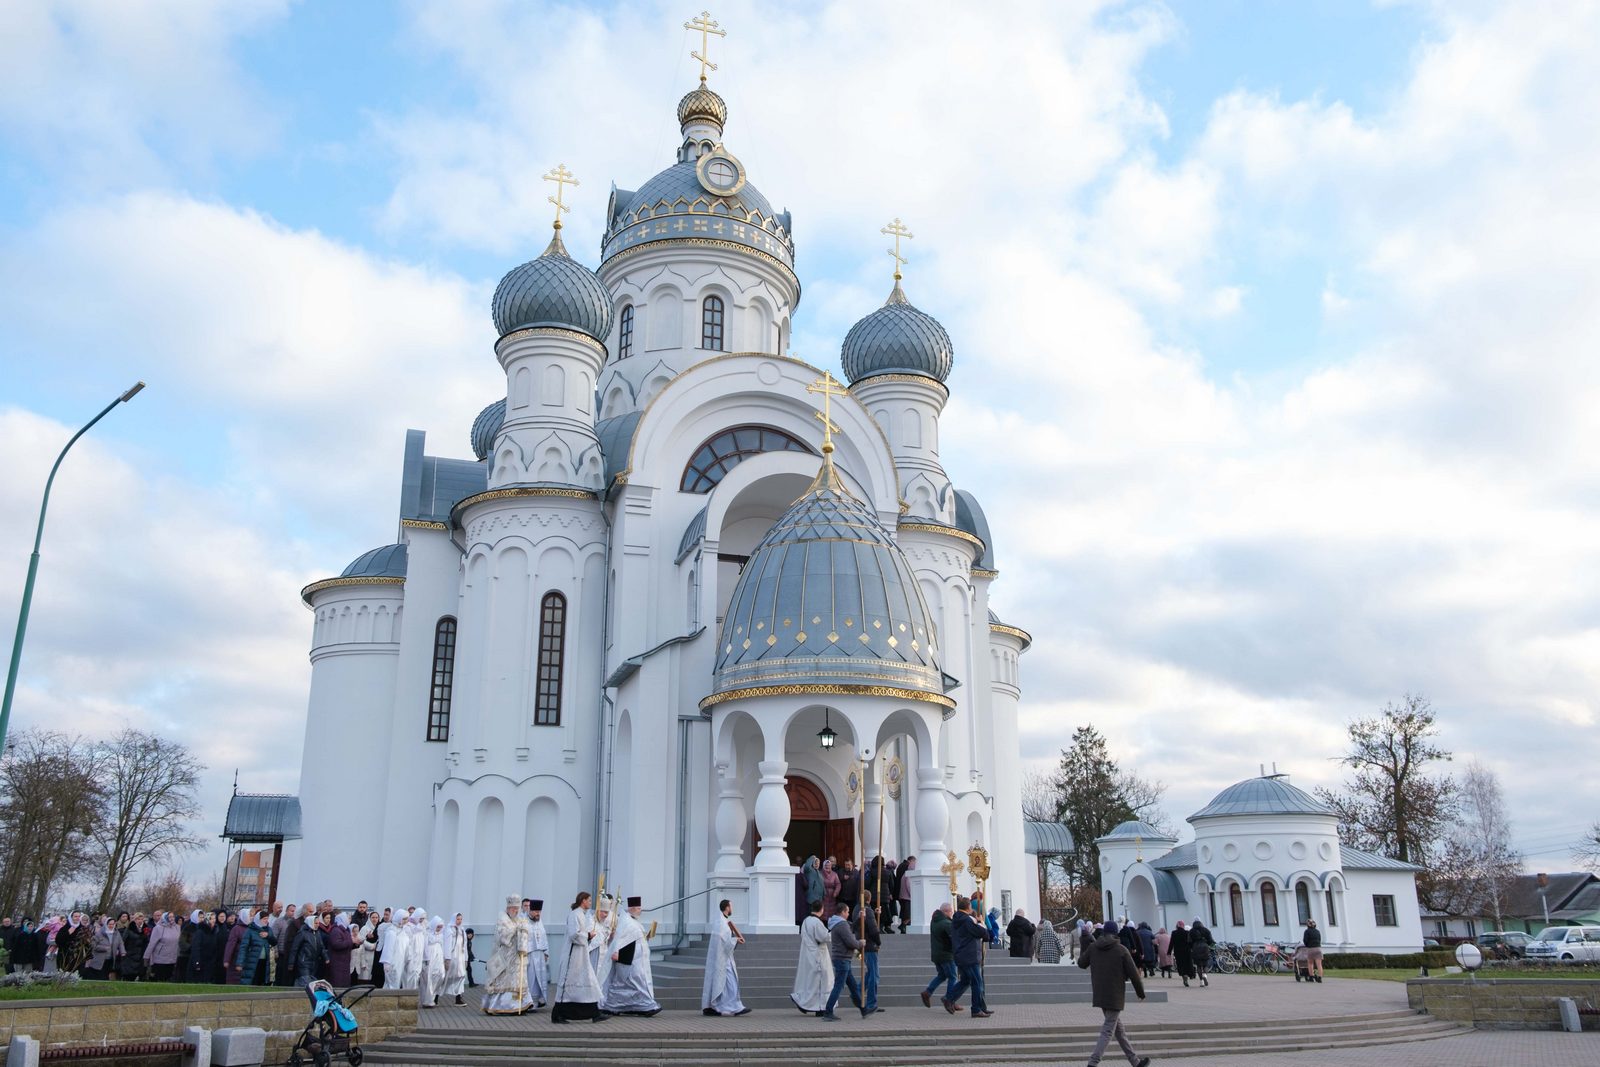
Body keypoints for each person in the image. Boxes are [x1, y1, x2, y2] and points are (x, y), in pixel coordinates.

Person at [1078, 920, 1151, 1067]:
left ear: (1104, 932)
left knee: (1119, 1030)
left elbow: (1081, 963)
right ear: (1116, 933)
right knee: (1107, 1031)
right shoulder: (1121, 950)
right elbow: (1134, 975)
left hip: (1100, 993)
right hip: (1115, 995)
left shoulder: (1094, 947)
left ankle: (1135, 1062)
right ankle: (1093, 1063)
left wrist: (1088, 949)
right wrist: (1141, 993)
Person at [600, 896, 659, 1017]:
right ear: (631, 908)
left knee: (634, 984)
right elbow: (621, 940)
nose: (640, 911)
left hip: (636, 960)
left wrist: (646, 937)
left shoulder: (634, 921)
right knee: (636, 983)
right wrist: (618, 954)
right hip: (629, 960)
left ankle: (635, 1006)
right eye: (638, 908)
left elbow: (635, 939)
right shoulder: (627, 922)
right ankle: (646, 1005)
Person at [552, 893, 605, 1023]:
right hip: (573, 956)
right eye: (589, 900)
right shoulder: (574, 914)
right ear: (583, 901)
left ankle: (594, 1013)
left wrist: (588, 936)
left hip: (581, 954)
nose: (590, 902)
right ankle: (558, 1014)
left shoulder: (582, 914)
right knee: (569, 985)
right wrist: (588, 935)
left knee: (587, 981)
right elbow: (573, 934)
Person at [483, 896, 534, 1015]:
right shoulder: (502, 919)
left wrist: (524, 929)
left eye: (517, 908)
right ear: (508, 908)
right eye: (514, 908)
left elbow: (526, 934)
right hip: (505, 957)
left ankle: (520, 1005)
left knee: (518, 980)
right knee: (504, 981)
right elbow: (503, 937)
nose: (516, 911)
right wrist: (516, 929)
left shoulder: (519, 919)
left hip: (517, 957)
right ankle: (501, 1006)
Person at [700, 898, 750, 1016]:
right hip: (722, 960)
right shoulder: (721, 923)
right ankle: (731, 1007)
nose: (732, 908)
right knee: (730, 983)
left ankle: (734, 1006)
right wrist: (736, 940)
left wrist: (735, 940)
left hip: (726, 958)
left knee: (729, 984)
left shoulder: (724, 921)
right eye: (731, 906)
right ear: (727, 907)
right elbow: (723, 942)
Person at [945, 896, 993, 1018]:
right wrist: (980, 922)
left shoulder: (956, 919)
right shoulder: (967, 920)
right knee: (977, 982)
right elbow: (983, 933)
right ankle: (976, 1009)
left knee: (966, 981)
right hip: (969, 955)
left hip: (961, 954)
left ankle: (949, 998)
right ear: (968, 907)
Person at [819, 901, 862, 1022]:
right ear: (842, 912)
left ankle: (863, 1008)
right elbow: (850, 942)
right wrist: (860, 943)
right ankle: (828, 1011)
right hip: (843, 958)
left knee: (853, 985)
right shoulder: (842, 924)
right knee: (838, 986)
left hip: (842, 958)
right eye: (847, 912)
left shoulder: (837, 923)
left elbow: (850, 928)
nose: (848, 914)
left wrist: (859, 919)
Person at [790, 899, 830, 1014]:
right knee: (820, 981)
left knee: (810, 981)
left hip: (808, 953)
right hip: (818, 955)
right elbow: (823, 937)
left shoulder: (806, 921)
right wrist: (832, 934)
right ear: (821, 909)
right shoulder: (817, 923)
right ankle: (818, 1006)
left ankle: (807, 1002)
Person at [921, 901, 959, 1009]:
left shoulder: (934, 921)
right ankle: (949, 999)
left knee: (942, 975)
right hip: (946, 954)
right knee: (953, 977)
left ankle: (928, 992)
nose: (952, 913)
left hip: (937, 954)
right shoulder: (946, 923)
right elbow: (954, 938)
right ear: (947, 911)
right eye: (951, 911)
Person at [857, 889, 883, 1016]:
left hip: (862, 945)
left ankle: (857, 992)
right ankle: (871, 1003)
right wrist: (878, 942)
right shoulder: (867, 911)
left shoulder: (858, 909)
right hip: (870, 945)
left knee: (870, 973)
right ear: (869, 899)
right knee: (874, 975)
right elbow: (873, 929)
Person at [522, 899, 549, 1009]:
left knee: (541, 978)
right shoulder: (524, 921)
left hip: (540, 954)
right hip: (530, 954)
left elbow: (544, 936)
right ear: (530, 911)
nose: (538, 914)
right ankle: (529, 1002)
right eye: (536, 911)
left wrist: (546, 952)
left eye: (539, 911)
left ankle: (538, 1000)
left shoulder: (539, 921)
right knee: (531, 978)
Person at [239, 911, 278, 987]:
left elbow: (274, 942)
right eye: (264, 919)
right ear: (258, 919)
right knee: (253, 981)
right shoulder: (250, 930)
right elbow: (244, 947)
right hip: (252, 961)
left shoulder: (268, 929)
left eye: (267, 918)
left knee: (263, 981)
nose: (266, 921)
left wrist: (268, 936)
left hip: (266, 961)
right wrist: (240, 963)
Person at [289, 913, 326, 988]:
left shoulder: (317, 933)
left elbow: (321, 946)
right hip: (304, 961)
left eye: (318, 923)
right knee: (305, 981)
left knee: (311, 982)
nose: (318, 925)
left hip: (314, 962)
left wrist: (326, 957)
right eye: (316, 923)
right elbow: (294, 948)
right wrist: (291, 963)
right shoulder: (302, 933)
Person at [418, 916, 447, 1008]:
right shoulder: (427, 934)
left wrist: (444, 958)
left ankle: (432, 996)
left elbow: (443, 947)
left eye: (441, 927)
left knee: (441, 975)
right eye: (438, 926)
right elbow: (425, 947)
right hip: (429, 958)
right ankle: (427, 1000)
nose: (439, 929)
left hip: (439, 958)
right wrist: (425, 959)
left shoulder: (441, 935)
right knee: (428, 979)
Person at [443, 913, 469, 1007]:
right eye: (458, 919)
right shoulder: (449, 930)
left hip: (460, 957)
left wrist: (466, 959)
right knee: (447, 976)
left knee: (461, 975)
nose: (459, 921)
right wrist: (447, 958)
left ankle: (458, 998)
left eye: (461, 919)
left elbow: (464, 945)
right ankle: (436, 996)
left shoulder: (462, 930)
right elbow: (447, 945)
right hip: (452, 956)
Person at [144, 912, 180, 981]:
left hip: (172, 959)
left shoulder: (177, 927)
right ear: (165, 918)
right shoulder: (158, 928)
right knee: (159, 980)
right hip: (160, 960)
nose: (172, 918)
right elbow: (152, 944)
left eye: (173, 917)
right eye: (169, 917)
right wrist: (146, 957)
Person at [325, 912, 355, 986]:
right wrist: (351, 942)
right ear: (343, 919)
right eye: (348, 918)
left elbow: (348, 944)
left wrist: (356, 944)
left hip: (344, 961)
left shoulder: (345, 930)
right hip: (337, 962)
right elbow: (336, 944)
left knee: (344, 983)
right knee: (338, 983)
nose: (349, 920)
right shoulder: (336, 930)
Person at [402, 906, 427, 989]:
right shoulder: (408, 927)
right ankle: (407, 993)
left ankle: (413, 993)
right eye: (420, 918)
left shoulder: (421, 928)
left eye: (423, 919)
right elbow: (406, 942)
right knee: (409, 975)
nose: (421, 920)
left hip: (418, 957)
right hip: (410, 956)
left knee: (416, 975)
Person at [798, 856, 824, 927]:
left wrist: (823, 894)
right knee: (810, 916)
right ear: (812, 863)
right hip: (811, 899)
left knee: (817, 916)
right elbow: (807, 866)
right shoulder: (809, 871)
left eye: (818, 863)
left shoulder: (819, 872)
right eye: (815, 862)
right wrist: (812, 858)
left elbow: (822, 884)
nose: (817, 864)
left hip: (818, 899)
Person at [1189, 917, 1213, 987]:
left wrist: (1192, 947)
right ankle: (1205, 974)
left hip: (1195, 948)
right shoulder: (1206, 930)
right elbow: (1210, 940)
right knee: (1206, 963)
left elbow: (1189, 941)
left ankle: (1201, 982)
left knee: (1199, 965)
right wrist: (1207, 944)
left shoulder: (1191, 931)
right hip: (1205, 947)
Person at [1170, 920, 1193, 987]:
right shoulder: (1187, 932)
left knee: (1181, 965)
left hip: (1178, 952)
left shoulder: (1174, 933)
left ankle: (1184, 977)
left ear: (1177, 926)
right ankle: (1187, 976)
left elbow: (1171, 943)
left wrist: (1169, 952)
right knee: (1187, 964)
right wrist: (1191, 949)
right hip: (1187, 952)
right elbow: (1190, 942)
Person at [895, 857, 915, 932]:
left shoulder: (905, 873)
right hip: (907, 897)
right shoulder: (909, 874)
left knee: (905, 913)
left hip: (902, 895)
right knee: (909, 914)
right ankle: (903, 925)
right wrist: (912, 894)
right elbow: (908, 885)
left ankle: (904, 928)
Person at [1302, 918, 1324, 983]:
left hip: (1310, 949)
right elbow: (1319, 939)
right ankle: (1320, 977)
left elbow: (1305, 940)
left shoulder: (1307, 931)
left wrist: (1307, 945)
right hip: (1318, 948)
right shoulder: (1317, 931)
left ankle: (1311, 977)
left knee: (1310, 963)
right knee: (1319, 964)